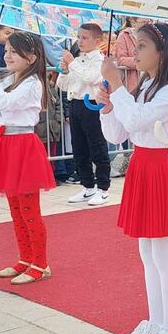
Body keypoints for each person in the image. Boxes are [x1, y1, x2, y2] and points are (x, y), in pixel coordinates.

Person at [98, 22, 168, 334]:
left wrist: (117, 85)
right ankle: (156, 321)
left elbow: (138, 120)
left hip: (162, 169)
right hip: (142, 166)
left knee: (162, 254)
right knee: (147, 253)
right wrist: (109, 106)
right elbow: (119, 133)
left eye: (141, 46)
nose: (133, 52)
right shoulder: (146, 85)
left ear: (162, 52)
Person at [0, 32, 56, 284]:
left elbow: (5, 103)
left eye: (13, 52)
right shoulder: (8, 79)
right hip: (5, 144)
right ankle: (25, 258)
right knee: (16, 209)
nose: (7, 56)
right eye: (6, 50)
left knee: (29, 209)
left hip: (23, 145)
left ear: (30, 57)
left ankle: (40, 263)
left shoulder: (33, 84)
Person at [56, 23, 111, 206]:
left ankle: (103, 188)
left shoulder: (100, 60)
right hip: (75, 104)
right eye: (79, 37)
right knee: (79, 147)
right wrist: (64, 72)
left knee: (97, 145)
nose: (80, 41)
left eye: (85, 38)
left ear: (97, 41)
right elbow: (64, 85)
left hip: (92, 105)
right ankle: (88, 185)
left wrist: (72, 63)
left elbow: (91, 77)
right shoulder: (77, 60)